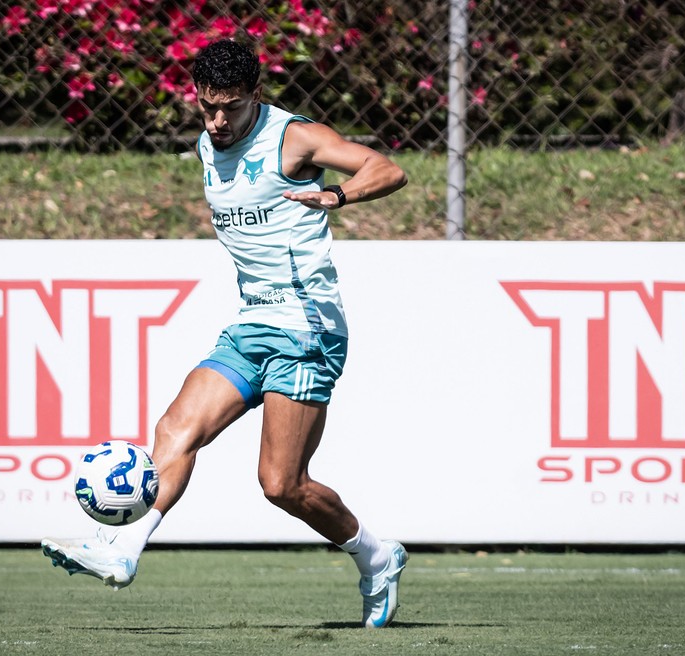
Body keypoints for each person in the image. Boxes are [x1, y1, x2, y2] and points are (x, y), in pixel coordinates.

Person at [41, 38, 409, 629]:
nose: (217, 120)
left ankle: (377, 555)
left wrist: (336, 194)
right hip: (252, 323)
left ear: (256, 96)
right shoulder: (207, 145)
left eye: (231, 108)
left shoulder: (295, 138)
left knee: (281, 485)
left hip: (306, 328)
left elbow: (388, 168)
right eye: (206, 106)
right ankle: (122, 553)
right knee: (175, 428)